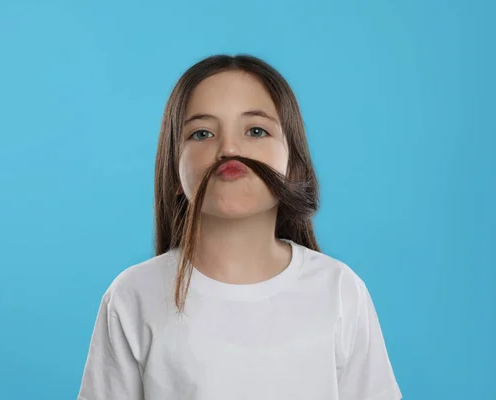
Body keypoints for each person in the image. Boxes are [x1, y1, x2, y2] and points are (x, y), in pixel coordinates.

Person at [78, 54, 402, 400]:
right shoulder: (133, 295)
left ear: (293, 165)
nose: (229, 148)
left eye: (256, 131)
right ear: (173, 172)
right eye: (202, 133)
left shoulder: (339, 291)